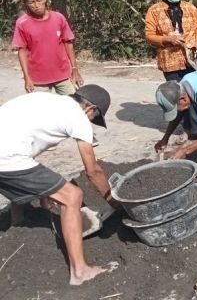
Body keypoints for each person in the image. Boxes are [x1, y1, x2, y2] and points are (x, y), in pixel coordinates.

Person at [0, 84, 118, 285]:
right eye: (93, 118)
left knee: (33, 175)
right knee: (72, 196)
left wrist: (45, 192)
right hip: (7, 157)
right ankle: (80, 271)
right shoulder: (79, 118)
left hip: (8, 152)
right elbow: (93, 171)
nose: (90, 122)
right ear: (90, 109)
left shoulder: (48, 99)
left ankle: (18, 222)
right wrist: (115, 202)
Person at [12, 0, 83, 95]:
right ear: (26, 4)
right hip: (38, 80)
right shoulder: (22, 23)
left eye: (38, 1)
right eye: (31, 3)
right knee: (42, 111)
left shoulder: (58, 18)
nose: (36, 5)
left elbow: (68, 43)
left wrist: (74, 69)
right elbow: (22, 51)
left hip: (63, 76)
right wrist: (27, 77)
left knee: (74, 105)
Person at [145, 0, 197, 82]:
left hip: (192, 59)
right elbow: (149, 36)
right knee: (177, 93)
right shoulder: (154, 11)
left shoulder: (190, 7)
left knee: (195, 91)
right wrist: (168, 39)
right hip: (170, 61)